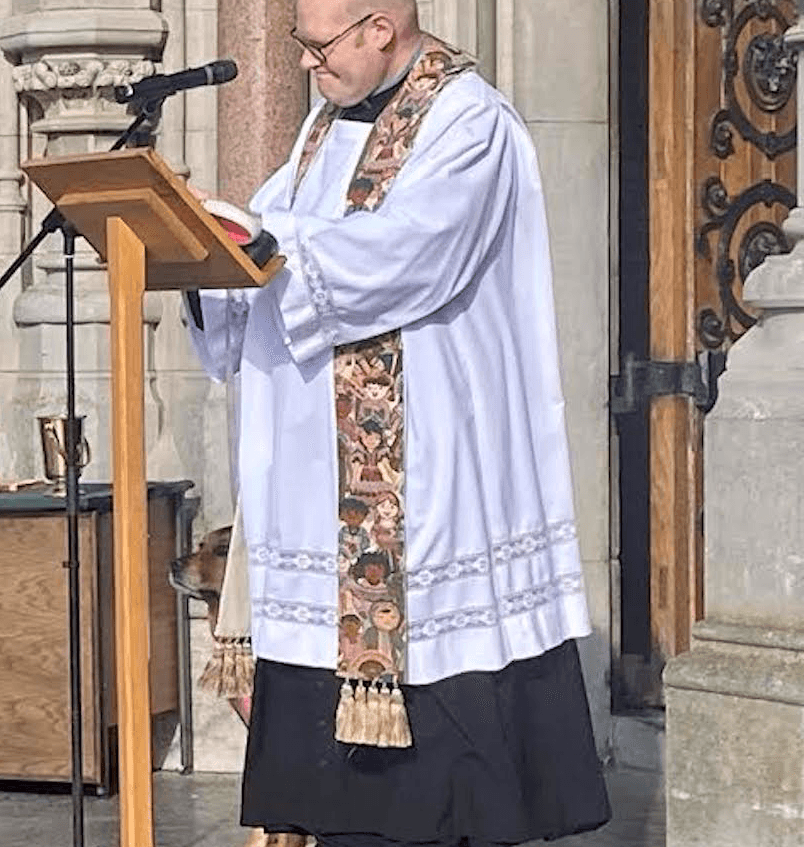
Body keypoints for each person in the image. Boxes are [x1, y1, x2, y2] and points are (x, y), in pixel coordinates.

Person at [186, 1, 612, 845]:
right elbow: (270, 240)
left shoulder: (469, 121)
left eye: (318, 44)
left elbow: (406, 252)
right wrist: (203, 254)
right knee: (332, 802)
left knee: (436, 787)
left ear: (380, 27)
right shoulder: (321, 132)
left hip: (425, 468)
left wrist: (268, 244)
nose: (307, 64)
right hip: (315, 478)